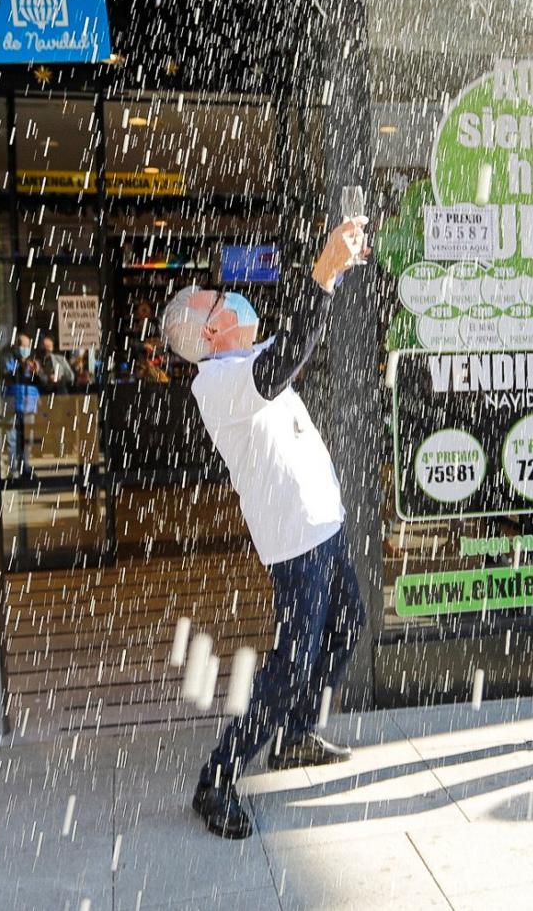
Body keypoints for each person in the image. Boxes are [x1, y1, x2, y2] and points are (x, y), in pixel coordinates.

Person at [162, 217, 370, 840]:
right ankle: (217, 781)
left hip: (322, 527)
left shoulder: (245, 357)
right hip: (295, 544)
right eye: (220, 300)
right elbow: (291, 352)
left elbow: (295, 342)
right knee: (288, 665)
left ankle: (296, 734)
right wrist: (325, 272)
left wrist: (328, 275)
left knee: (348, 624)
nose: (232, 297)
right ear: (208, 331)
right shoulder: (217, 381)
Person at [0, 332, 40, 478]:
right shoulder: (8, 357)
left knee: (27, 438)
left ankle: (26, 466)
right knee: (12, 437)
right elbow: (6, 371)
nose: (25, 348)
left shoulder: (33, 360)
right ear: (16, 346)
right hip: (12, 401)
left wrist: (37, 370)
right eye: (23, 346)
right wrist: (20, 365)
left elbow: (41, 379)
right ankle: (13, 469)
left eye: (27, 346)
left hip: (29, 403)